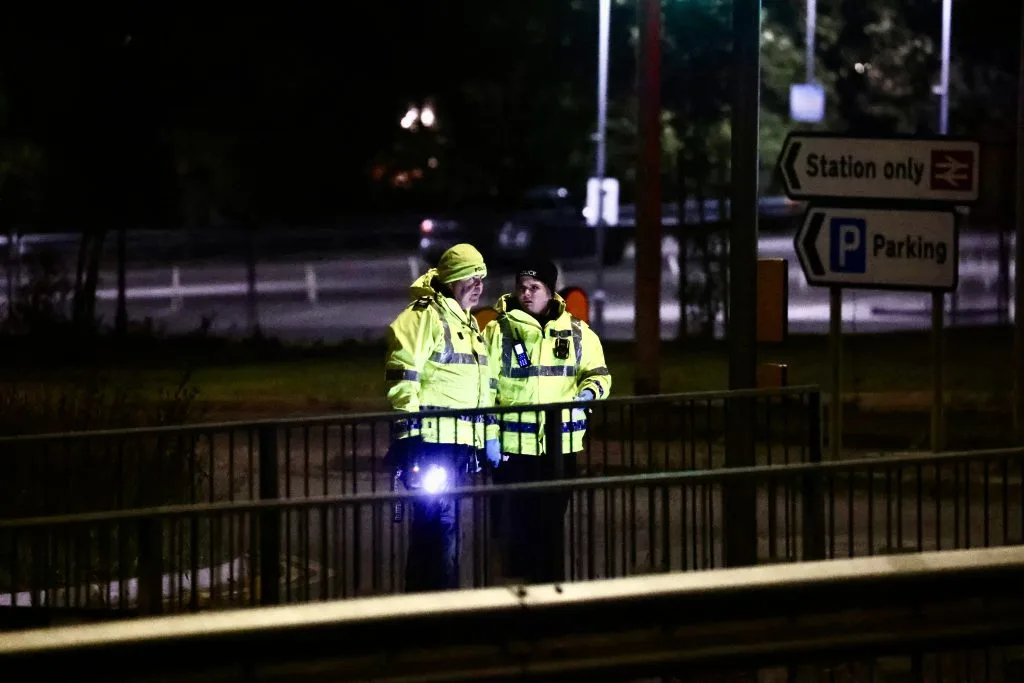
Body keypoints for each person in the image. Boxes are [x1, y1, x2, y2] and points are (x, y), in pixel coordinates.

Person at [483, 257, 612, 583]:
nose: (526, 293)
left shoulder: (577, 332)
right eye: (522, 287)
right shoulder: (498, 332)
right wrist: (490, 434)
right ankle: (518, 595)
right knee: (515, 532)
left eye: (534, 287)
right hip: (514, 450)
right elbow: (485, 388)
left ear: (550, 291)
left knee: (550, 528)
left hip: (559, 449)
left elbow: (599, 375)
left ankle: (548, 594)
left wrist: (588, 394)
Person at [384, 243, 501, 592]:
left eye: (481, 278)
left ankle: (425, 603)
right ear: (451, 280)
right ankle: (440, 604)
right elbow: (403, 376)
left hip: (458, 446)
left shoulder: (467, 323)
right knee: (440, 526)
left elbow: (482, 387)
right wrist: (408, 438)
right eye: (470, 277)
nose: (478, 285)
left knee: (437, 527)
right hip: (431, 443)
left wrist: (487, 436)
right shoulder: (425, 317)